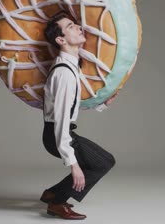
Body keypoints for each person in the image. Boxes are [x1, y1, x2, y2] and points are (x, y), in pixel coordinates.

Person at [40, 11, 118, 220]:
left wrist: (102, 105)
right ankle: (57, 203)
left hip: (58, 133)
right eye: (71, 26)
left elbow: (71, 104)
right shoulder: (64, 72)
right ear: (60, 39)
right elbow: (61, 121)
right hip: (58, 134)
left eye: (75, 24)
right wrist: (73, 165)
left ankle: (52, 193)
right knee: (103, 163)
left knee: (104, 160)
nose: (78, 27)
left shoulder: (71, 66)